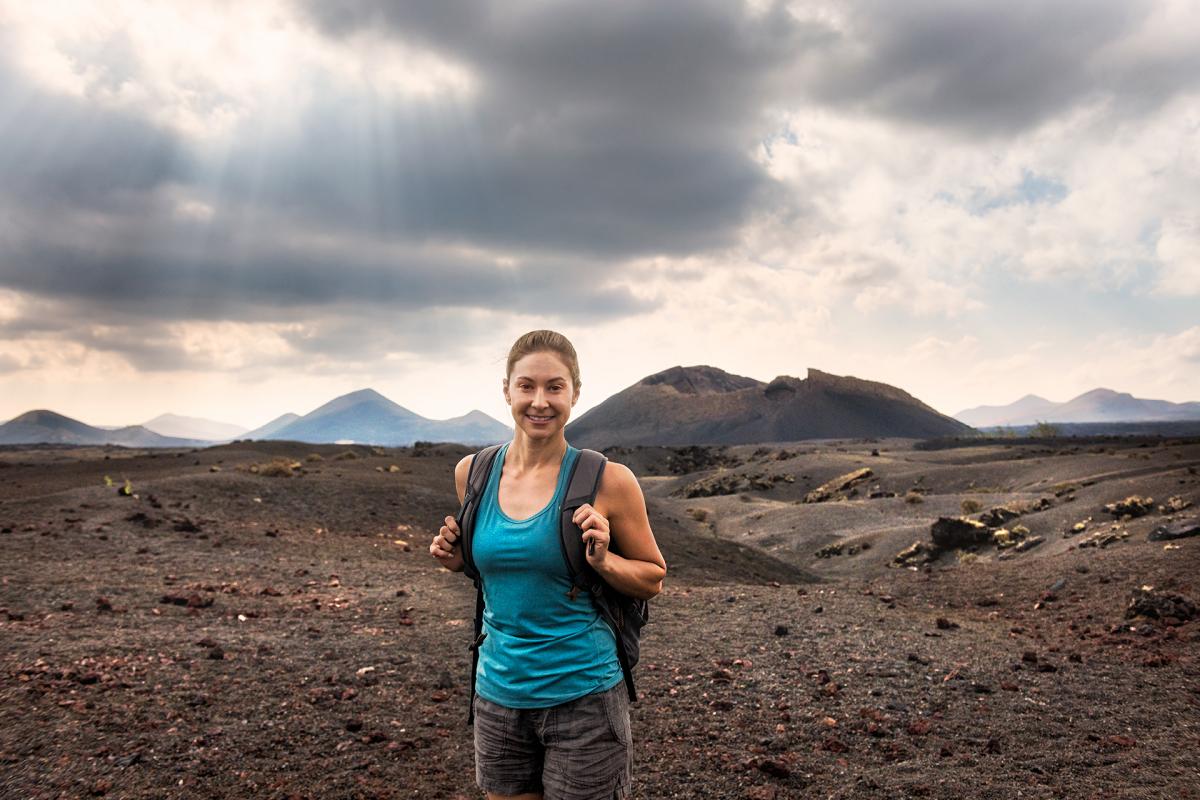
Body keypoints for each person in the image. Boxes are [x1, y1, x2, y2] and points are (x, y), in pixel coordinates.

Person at [429, 329, 667, 800]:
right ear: (507, 391)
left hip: (584, 698)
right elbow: (507, 573)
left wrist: (603, 560)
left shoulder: (608, 480)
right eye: (527, 386)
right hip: (498, 695)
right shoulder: (472, 474)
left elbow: (652, 578)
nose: (540, 401)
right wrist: (458, 561)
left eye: (555, 387)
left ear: (575, 393)